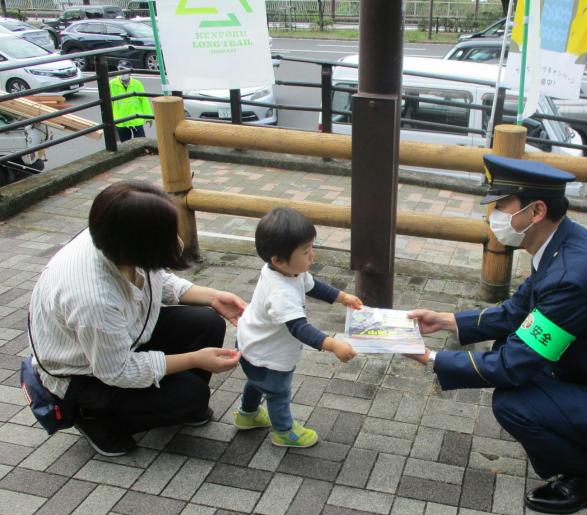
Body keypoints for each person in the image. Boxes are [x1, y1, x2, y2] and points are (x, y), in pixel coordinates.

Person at [407, 155, 587, 515]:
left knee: (514, 404)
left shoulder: (573, 275)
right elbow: (516, 311)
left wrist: (432, 359)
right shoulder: (562, 244)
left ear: (536, 211)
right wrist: (444, 321)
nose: (493, 216)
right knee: (511, 343)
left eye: (501, 206)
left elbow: (511, 367)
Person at [26, 181, 246, 456]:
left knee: (208, 321)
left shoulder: (115, 234)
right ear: (140, 245)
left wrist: (212, 296)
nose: (176, 241)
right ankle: (94, 419)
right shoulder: (93, 298)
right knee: (192, 396)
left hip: (121, 337)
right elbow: (117, 370)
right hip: (84, 374)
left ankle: (170, 406)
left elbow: (159, 279)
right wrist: (194, 359)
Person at [234, 207, 362, 448]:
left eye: (312, 248)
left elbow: (312, 286)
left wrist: (343, 297)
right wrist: (333, 344)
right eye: (305, 251)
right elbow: (299, 328)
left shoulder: (288, 271)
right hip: (268, 356)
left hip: (250, 345)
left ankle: (247, 415)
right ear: (278, 260)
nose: (312, 256)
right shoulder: (280, 292)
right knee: (278, 393)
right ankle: (283, 432)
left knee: (255, 382)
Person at [110, 69, 151, 142]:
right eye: (120, 69)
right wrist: (109, 119)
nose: (122, 73)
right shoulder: (112, 84)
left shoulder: (137, 83)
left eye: (124, 70)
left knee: (141, 142)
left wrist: (148, 117)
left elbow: (144, 101)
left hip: (136, 119)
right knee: (125, 145)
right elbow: (108, 102)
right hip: (121, 120)